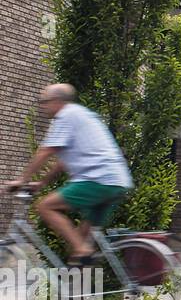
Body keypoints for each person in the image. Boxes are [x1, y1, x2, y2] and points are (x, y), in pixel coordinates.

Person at [4, 84, 133, 264]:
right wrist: (41, 183)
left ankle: (82, 250)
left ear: (57, 101)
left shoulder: (66, 115)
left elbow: (45, 152)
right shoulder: (83, 115)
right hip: (116, 182)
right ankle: (76, 285)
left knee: (45, 207)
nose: (42, 106)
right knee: (77, 252)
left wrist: (22, 180)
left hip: (96, 180)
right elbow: (63, 162)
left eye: (44, 102)